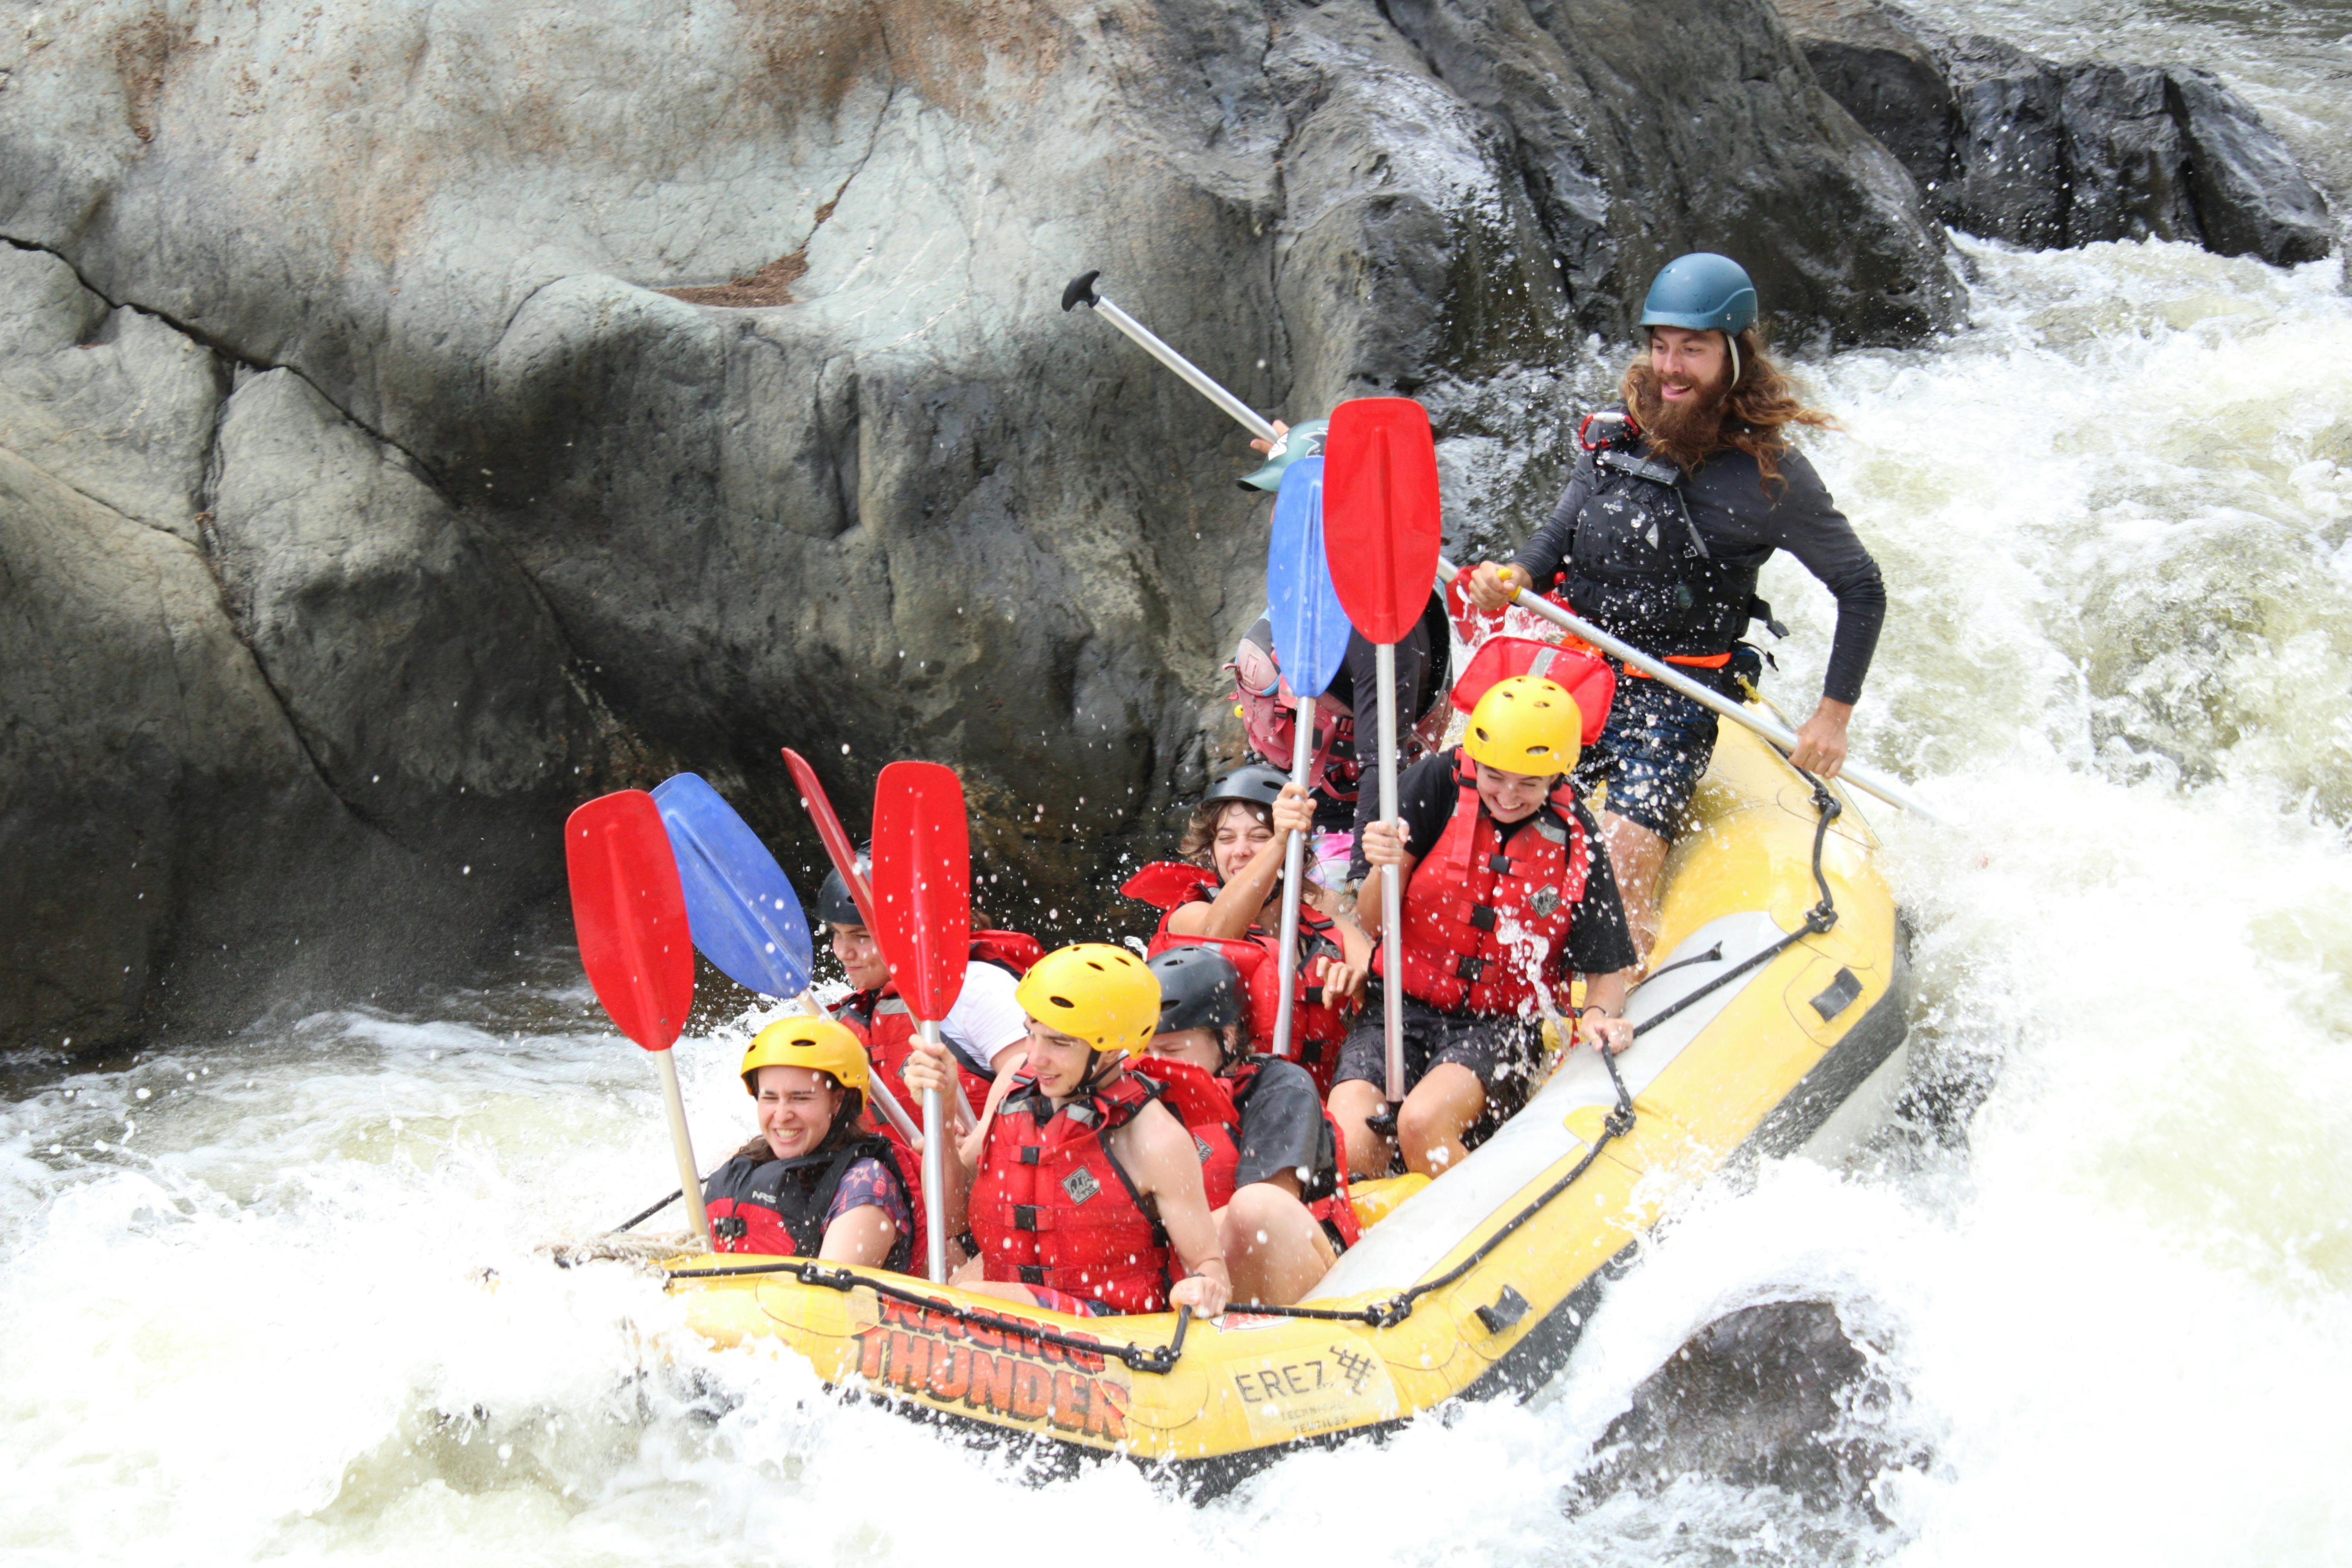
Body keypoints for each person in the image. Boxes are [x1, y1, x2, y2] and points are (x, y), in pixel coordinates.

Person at [1461, 252, 1885, 958]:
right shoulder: (1617, 433)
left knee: (1618, 877)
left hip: (1675, 699)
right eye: (1661, 346)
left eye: (1693, 350)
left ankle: (1614, 992)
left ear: (1735, 356)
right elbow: (1559, 535)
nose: (1670, 368)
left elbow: (1862, 586)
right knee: (1486, 829)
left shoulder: (1770, 477)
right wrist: (1517, 575)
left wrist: (1832, 717)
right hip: (1579, 677)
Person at [1338, 675, 1639, 1179]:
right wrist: (1382, 869)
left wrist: (1597, 1016)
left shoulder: (1576, 837)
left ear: (1557, 776)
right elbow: (1369, 923)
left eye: (1529, 783)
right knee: (1349, 1146)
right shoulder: (1434, 785)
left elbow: (1607, 973)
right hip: (1397, 1006)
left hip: (1500, 1025)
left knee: (1421, 1123)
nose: (1508, 794)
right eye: (1495, 776)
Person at [904, 944, 1233, 1319]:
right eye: (1032, 1034)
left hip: (1111, 1329)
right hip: (1009, 1316)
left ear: (1111, 1050)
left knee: (966, 1296)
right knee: (957, 1292)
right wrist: (943, 1112)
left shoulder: (1155, 1138)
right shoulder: (1015, 1084)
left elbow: (1209, 1264)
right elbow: (949, 1217)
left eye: (1060, 1042)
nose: (1037, 1057)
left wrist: (1205, 1286)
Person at [1235, 421, 1453, 836]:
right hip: (1284, 790)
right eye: (1280, 498)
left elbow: (1383, 770)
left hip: (1342, 819)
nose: (1276, 516)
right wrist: (1303, 445)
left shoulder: (1378, 620)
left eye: (1292, 498)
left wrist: (1362, 870)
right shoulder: (1327, 575)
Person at [1122, 764, 1370, 1094]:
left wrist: (1361, 987)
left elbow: (1389, 997)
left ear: (1296, 851)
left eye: (1259, 837)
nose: (1240, 850)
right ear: (1211, 852)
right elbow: (1216, 938)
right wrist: (1278, 843)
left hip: (1325, 1104)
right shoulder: (1190, 915)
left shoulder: (1334, 932)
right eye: (1226, 839)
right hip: (1233, 1105)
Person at [1131, 945, 1357, 1307]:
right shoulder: (1135, 1094)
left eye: (1171, 1052)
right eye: (1145, 1051)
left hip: (1290, 1265)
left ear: (1228, 1036)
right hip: (1191, 1277)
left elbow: (1270, 1210)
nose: (1155, 1067)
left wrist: (1152, 1252)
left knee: (1256, 1208)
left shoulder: (1282, 1088)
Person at [821, 853, 1040, 1127]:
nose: (843, 952)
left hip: (977, 1154)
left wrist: (970, 1147)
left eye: (861, 936)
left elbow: (1038, 1097)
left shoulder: (978, 988)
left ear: (917, 930)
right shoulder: (855, 1010)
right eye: (837, 933)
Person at [701, 1016, 916, 1269]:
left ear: (838, 1101)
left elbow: (830, 1292)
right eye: (770, 1098)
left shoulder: (865, 1187)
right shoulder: (747, 1165)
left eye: (800, 1098)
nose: (782, 1115)